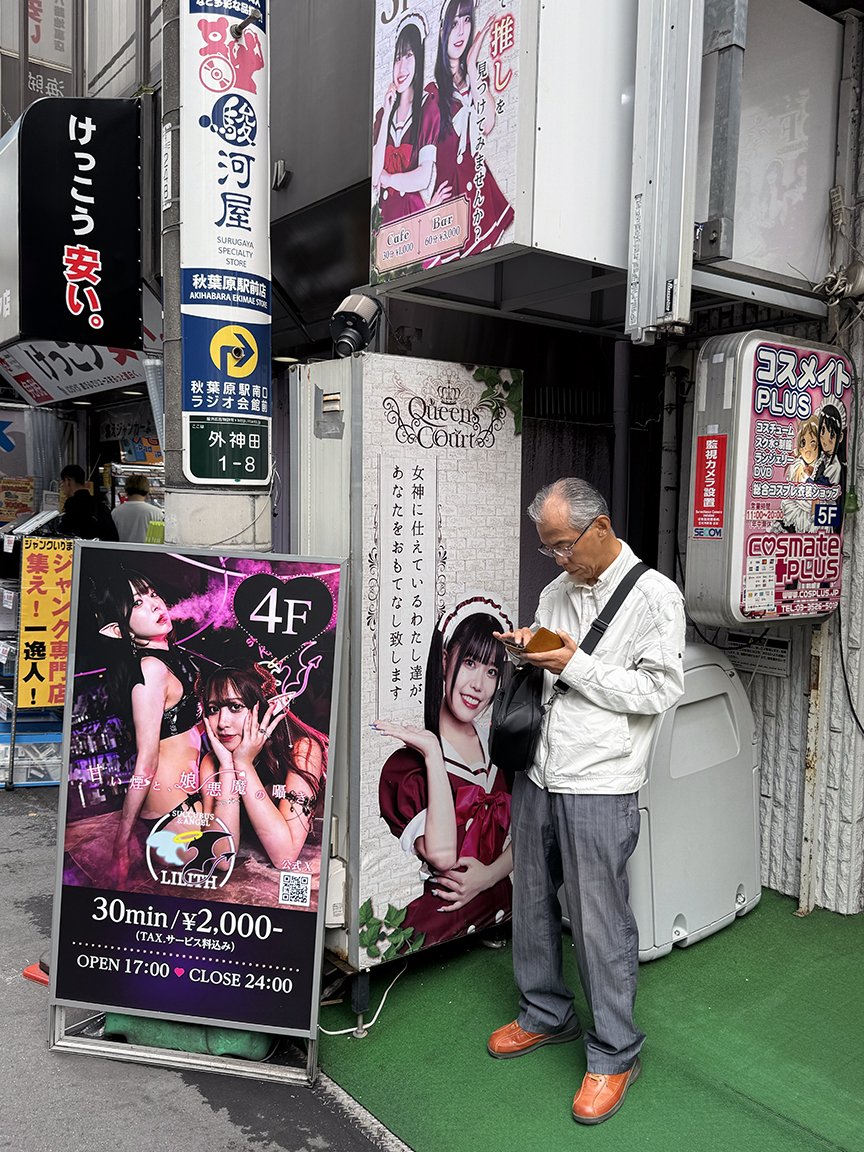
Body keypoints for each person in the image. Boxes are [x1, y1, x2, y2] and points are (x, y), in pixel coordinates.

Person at [486, 478, 685, 1126]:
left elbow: (659, 690)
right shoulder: (555, 592)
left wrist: (572, 663)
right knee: (533, 900)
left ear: (600, 528)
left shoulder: (656, 597)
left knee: (600, 921)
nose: (558, 560)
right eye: (548, 549)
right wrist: (533, 649)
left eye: (564, 546)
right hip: (541, 769)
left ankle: (615, 1053)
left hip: (601, 779)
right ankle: (546, 1012)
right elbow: (554, 664)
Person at [374, 600, 512, 952]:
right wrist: (433, 754)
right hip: (439, 920)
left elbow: (532, 833)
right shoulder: (406, 768)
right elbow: (443, 857)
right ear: (446, 660)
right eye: (469, 663)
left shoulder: (501, 745)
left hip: (502, 909)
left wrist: (489, 876)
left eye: (492, 671)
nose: (478, 685)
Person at [92, 568, 202, 885]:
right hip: (172, 806)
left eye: (153, 594)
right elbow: (146, 759)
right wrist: (121, 839)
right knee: (217, 868)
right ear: (118, 629)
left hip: (192, 793)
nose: (154, 604)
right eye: (137, 602)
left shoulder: (175, 656)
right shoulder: (150, 669)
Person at [199, 664, 327, 872]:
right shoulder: (213, 761)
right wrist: (229, 767)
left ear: (263, 708)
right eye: (213, 709)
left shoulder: (302, 750)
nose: (222, 722)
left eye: (235, 707)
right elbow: (221, 859)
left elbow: (284, 857)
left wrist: (243, 764)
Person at [424, 0, 514, 265]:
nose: (461, 32)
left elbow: (486, 124)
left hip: (479, 188)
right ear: (442, 32)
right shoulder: (431, 94)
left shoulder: (475, 83)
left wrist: (473, 66)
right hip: (451, 199)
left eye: (467, 21)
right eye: (454, 24)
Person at [372, 13, 446, 226]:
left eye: (408, 56)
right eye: (397, 57)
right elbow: (374, 175)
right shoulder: (382, 115)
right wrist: (386, 115)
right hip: (384, 222)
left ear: (419, 57)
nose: (401, 67)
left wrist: (389, 180)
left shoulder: (428, 107)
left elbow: (423, 176)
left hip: (413, 222)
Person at [772, 416, 821, 533]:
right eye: (803, 443)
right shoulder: (797, 467)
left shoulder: (822, 470)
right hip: (796, 511)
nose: (807, 449)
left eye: (813, 442)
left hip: (810, 517)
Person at [812, 401, 847, 533]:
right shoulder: (822, 460)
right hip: (819, 511)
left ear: (840, 437)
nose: (825, 440)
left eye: (832, 435)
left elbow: (819, 493)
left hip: (824, 518)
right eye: (823, 431)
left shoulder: (835, 467)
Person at [59, 464, 119, 541]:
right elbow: (112, 535)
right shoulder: (100, 504)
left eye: (62, 482)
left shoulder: (72, 504)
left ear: (68, 481)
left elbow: (64, 531)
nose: (62, 487)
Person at [111, 474, 162, 543]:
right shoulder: (156, 512)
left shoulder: (115, 512)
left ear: (126, 490)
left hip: (122, 552)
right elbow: (158, 541)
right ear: (147, 490)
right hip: (147, 552)